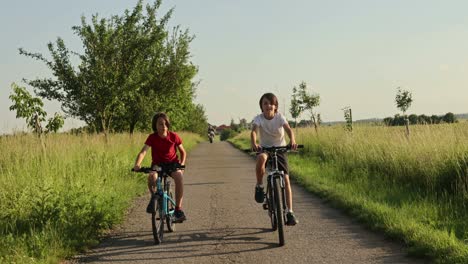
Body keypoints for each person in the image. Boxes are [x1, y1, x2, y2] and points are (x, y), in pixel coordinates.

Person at [250, 93, 299, 226]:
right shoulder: (259, 119)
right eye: (265, 103)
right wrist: (254, 142)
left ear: (275, 106)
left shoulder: (280, 117)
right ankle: (260, 186)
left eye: (271, 103)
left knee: (286, 179)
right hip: (265, 148)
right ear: (261, 106)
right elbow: (254, 131)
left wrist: (292, 140)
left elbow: (288, 129)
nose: (268, 106)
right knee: (260, 159)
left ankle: (290, 212)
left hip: (280, 149)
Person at [134, 112, 187, 222]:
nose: (163, 127)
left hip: (172, 164)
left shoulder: (174, 136)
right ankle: (154, 198)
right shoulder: (152, 137)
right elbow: (143, 152)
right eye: (160, 124)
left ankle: (178, 209)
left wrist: (181, 166)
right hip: (158, 165)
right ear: (155, 125)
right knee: (152, 177)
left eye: (165, 124)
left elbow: (183, 152)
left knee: (179, 177)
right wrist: (137, 164)